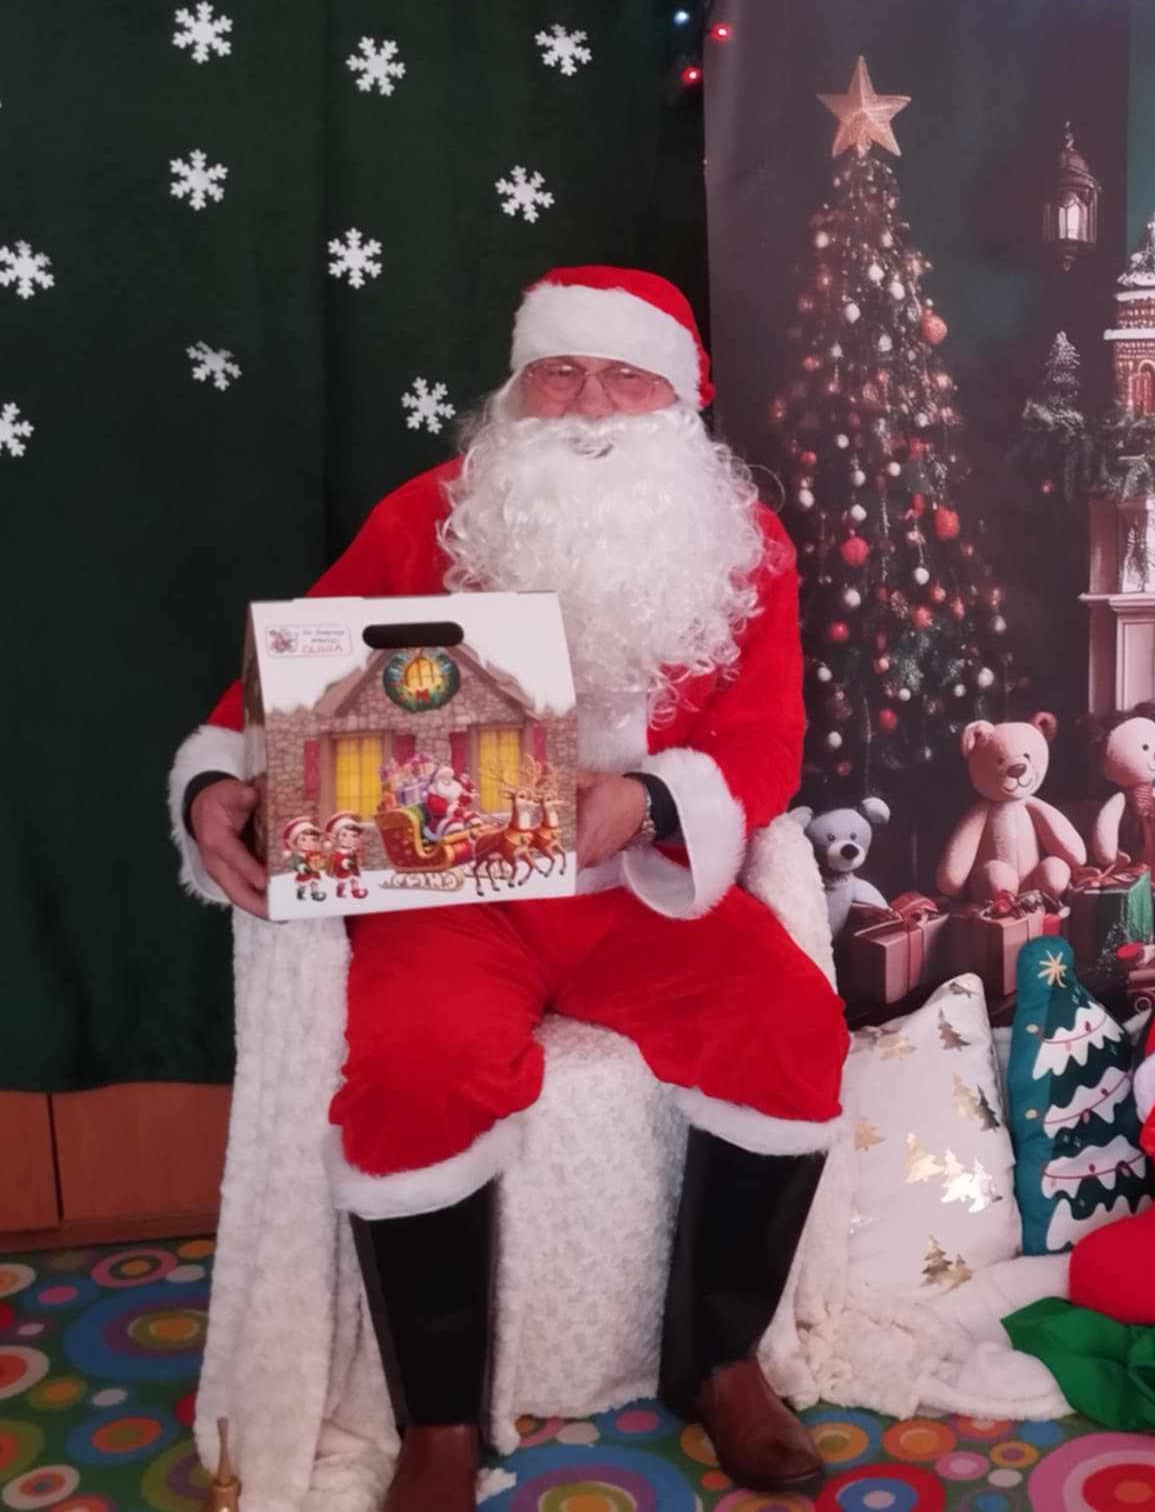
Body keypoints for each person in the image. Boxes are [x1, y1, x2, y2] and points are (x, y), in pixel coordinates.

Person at [168, 267, 845, 1507]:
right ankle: (436, 1421)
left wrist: (645, 799)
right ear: (517, 391)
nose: (588, 405)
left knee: (789, 1023)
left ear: (679, 401)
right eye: (560, 374)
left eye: (624, 378)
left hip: (636, 885)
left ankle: (723, 1361)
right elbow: (290, 675)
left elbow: (766, 740)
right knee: (416, 1061)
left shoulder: (746, 546)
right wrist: (217, 779)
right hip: (444, 888)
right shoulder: (429, 514)